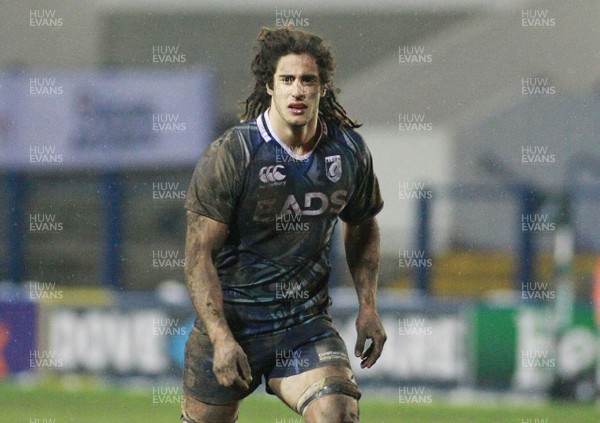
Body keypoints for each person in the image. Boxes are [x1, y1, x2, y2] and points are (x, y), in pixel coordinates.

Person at [182, 26, 386, 423]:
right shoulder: (234, 153)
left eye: (308, 80)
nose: (298, 91)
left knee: (338, 413)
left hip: (303, 324)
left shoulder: (348, 152)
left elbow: (362, 226)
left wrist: (368, 307)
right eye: (287, 80)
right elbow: (197, 254)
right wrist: (221, 336)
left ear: (322, 88)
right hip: (231, 320)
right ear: (270, 87)